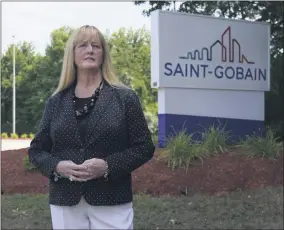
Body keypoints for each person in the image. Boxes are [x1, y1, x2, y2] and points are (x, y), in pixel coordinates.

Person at [28, 25, 155, 230]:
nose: (90, 50)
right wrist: (58, 167)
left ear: (103, 54)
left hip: (111, 198)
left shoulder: (125, 98)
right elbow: (37, 150)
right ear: (72, 54)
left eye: (96, 46)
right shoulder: (56, 102)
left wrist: (107, 166)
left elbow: (144, 147)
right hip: (65, 200)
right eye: (83, 45)